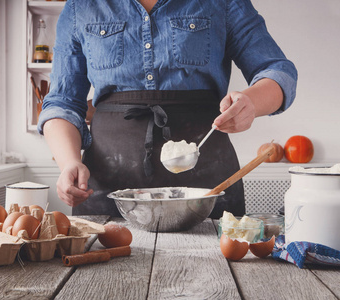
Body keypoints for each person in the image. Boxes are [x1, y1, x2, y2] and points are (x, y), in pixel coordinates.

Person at [37, 0, 297, 219]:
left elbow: (278, 71)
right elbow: (62, 102)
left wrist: (250, 102)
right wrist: (69, 162)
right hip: (106, 184)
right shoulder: (79, 7)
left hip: (208, 182)